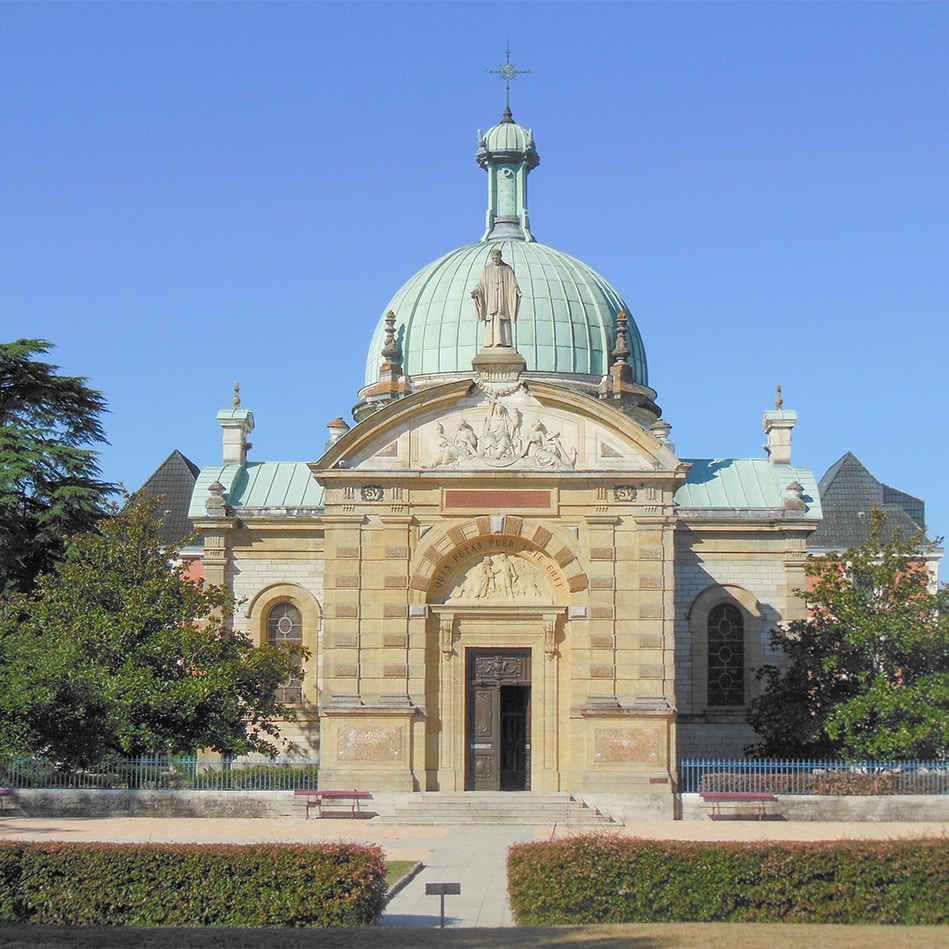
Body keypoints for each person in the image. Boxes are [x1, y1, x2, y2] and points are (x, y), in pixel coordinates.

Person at [471, 248, 521, 348]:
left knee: (502, 319)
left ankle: (505, 341)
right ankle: (490, 342)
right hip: (492, 300)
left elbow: (513, 283)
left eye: (496, 258)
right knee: (491, 319)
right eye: (493, 258)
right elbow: (481, 285)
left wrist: (516, 291)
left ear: (500, 257)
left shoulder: (507, 269)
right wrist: (476, 292)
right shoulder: (487, 270)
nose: (494, 260)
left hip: (502, 301)